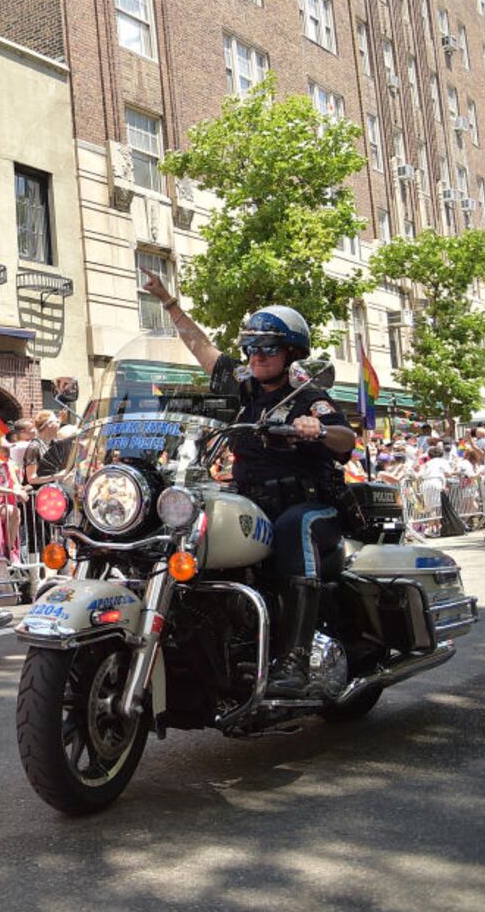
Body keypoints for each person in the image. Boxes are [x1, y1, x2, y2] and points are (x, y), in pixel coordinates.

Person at [143, 272, 354, 697]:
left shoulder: (306, 395)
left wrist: (317, 429)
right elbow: (202, 348)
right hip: (254, 504)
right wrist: (167, 302)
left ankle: (295, 659)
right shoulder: (242, 387)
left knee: (295, 527)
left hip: (309, 504)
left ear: (291, 352)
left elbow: (345, 440)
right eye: (250, 347)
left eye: (267, 348)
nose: (256, 356)